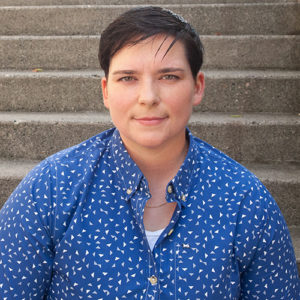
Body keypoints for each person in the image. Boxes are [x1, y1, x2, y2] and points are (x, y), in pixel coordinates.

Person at [0, 6, 299, 300]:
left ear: (197, 87)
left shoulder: (246, 201)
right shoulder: (50, 189)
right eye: (127, 78)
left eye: (169, 76)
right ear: (105, 91)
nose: (148, 98)